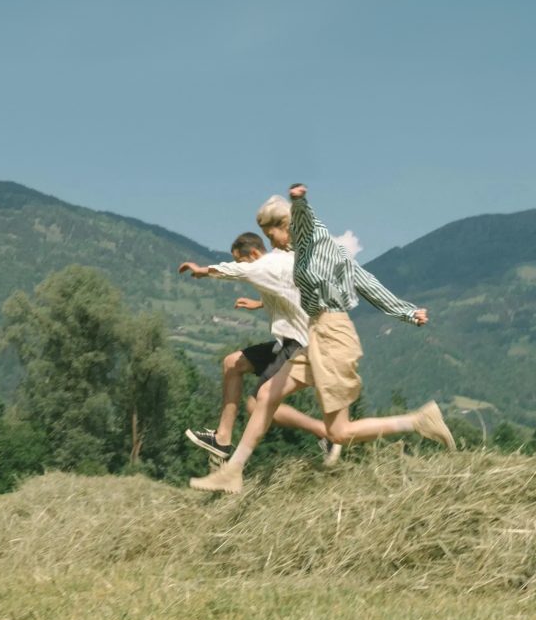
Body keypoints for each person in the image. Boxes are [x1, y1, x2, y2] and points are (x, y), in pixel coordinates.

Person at [189, 184, 454, 494]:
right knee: (266, 396)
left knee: (339, 432)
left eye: (272, 234)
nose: (272, 242)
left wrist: (299, 202)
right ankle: (232, 471)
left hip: (334, 337)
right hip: (316, 334)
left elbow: (362, 280)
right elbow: (344, 283)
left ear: (286, 227)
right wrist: (407, 313)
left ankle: (418, 421)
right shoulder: (300, 257)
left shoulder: (319, 247)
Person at [178, 231, 336, 463]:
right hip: (287, 341)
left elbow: (239, 271)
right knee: (232, 363)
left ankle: (326, 433)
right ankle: (222, 440)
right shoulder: (275, 265)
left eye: (241, 260)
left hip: (301, 344)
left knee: (256, 405)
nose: (241, 265)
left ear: (253, 253)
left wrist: (203, 270)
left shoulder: (266, 265)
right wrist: (260, 303)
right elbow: (287, 289)